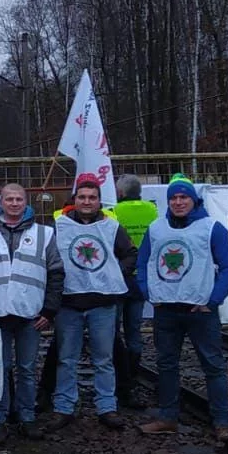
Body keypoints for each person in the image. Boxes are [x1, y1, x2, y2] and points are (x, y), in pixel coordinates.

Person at [136, 173, 228, 445]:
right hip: (166, 310)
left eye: (183, 197)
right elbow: (143, 262)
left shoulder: (211, 228)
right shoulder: (156, 228)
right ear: (168, 201)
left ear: (194, 200)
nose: (178, 202)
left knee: (213, 366)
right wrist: (149, 293)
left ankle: (222, 423)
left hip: (200, 311)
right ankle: (168, 417)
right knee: (166, 364)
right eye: (173, 198)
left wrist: (213, 300)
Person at [0, 183, 62, 445]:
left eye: (19, 199)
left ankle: (26, 418)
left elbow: (56, 273)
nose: (15, 203)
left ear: (26, 202)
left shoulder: (45, 234)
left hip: (30, 315)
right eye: (9, 199)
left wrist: (50, 310)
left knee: (27, 368)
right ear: (1, 202)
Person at [45, 175, 136, 431]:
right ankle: (63, 407)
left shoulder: (112, 227)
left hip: (103, 304)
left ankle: (107, 407)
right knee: (66, 358)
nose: (87, 201)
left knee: (104, 359)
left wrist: (114, 272)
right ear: (75, 200)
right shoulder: (58, 226)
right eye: (82, 197)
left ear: (99, 201)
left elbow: (131, 254)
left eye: (92, 197)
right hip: (68, 303)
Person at [106, 173, 157, 401]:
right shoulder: (153, 210)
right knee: (134, 332)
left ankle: (120, 379)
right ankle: (133, 377)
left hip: (119, 278)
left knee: (113, 332)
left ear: (119, 193)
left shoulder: (113, 212)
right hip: (141, 278)